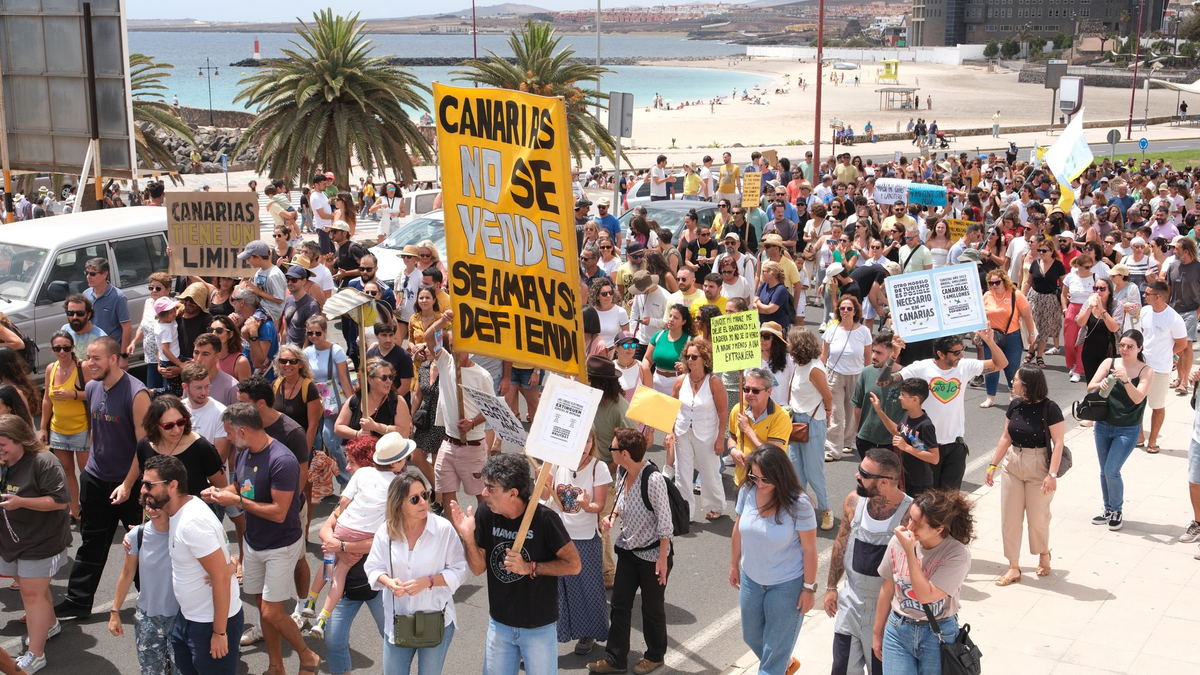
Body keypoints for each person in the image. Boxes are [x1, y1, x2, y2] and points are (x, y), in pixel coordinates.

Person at [200, 403, 317, 675]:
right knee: (263, 607)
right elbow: (240, 487)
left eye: (229, 432)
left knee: (272, 613)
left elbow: (278, 512)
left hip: (281, 545)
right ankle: (276, 666)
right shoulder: (244, 453)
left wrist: (236, 500)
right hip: (253, 543)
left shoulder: (282, 460)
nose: (227, 437)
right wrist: (220, 493)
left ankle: (307, 655)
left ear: (243, 431)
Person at [449, 453, 580, 675]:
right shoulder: (485, 514)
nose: (483, 493)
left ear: (513, 493)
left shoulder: (545, 520)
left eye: (491, 488)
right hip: (499, 624)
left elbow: (574, 565)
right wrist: (468, 536)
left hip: (538, 627)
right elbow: (479, 568)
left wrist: (530, 567)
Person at [56, 337, 150, 620]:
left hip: (128, 484)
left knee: (140, 545)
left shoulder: (137, 393)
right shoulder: (93, 387)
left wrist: (128, 484)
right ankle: (78, 600)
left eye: (96, 358)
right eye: (88, 358)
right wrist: (90, 470)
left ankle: (150, 601)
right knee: (91, 542)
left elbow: (143, 446)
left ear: (113, 359)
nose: (89, 363)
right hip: (96, 480)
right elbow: (97, 430)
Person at [307, 433, 413, 640]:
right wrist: (344, 546)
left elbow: (344, 502)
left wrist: (338, 520)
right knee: (340, 573)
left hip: (344, 526)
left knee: (329, 563)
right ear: (398, 462)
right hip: (362, 536)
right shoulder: (398, 486)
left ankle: (310, 601)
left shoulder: (363, 473)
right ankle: (322, 618)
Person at [143, 455, 243, 675]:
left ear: (172, 485)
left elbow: (222, 577)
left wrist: (219, 633)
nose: (143, 490)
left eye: (149, 485)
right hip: (188, 618)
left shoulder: (192, 523)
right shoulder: (179, 512)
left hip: (210, 624)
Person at [364, 468, 467, 675]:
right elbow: (373, 567)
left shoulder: (443, 529)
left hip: (436, 618)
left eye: (425, 495)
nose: (423, 502)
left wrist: (428, 581)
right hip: (398, 620)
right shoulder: (386, 531)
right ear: (398, 503)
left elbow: (460, 570)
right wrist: (388, 582)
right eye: (414, 499)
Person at [590, 428, 674, 675]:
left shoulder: (653, 479)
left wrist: (662, 559)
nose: (610, 452)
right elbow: (619, 505)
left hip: (652, 556)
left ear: (624, 453)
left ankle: (655, 656)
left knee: (652, 608)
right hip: (628, 550)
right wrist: (611, 519)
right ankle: (616, 659)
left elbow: (665, 524)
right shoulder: (622, 471)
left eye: (613, 448)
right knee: (619, 605)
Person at [729, 444, 817, 675]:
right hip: (751, 580)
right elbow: (738, 530)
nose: (759, 483)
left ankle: (778, 665)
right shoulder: (747, 492)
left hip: (787, 586)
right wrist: (733, 564)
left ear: (780, 474)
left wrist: (809, 588)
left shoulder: (799, 503)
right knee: (751, 636)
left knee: (774, 653)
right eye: (754, 476)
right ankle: (785, 664)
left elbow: (809, 550)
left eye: (765, 478)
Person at [881, 331, 1008, 490]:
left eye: (962, 350)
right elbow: (884, 382)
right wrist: (894, 355)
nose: (961, 356)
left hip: (955, 446)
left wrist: (990, 341)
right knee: (927, 500)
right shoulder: (921, 368)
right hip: (926, 447)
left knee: (949, 502)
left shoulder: (964, 366)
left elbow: (1001, 364)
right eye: (956, 353)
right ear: (940, 353)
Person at [825, 449, 912, 675]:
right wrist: (831, 587)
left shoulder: (911, 514)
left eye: (864, 473)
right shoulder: (853, 502)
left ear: (883, 483)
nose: (856, 475)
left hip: (887, 614)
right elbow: (841, 542)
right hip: (850, 606)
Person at [872, 490, 974, 674]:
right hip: (898, 629)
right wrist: (877, 633)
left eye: (917, 524)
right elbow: (887, 589)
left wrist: (910, 552)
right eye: (909, 518)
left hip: (937, 634)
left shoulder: (957, 554)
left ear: (939, 529)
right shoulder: (898, 542)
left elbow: (926, 595)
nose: (909, 527)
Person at [0, 415, 71, 674]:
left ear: (20, 441)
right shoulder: (4, 461)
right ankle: (50, 624)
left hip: (43, 540)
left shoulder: (44, 462)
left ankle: (35, 655)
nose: (0, 450)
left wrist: (20, 502)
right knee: (33, 591)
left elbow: (61, 501)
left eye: (3, 444)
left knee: (31, 593)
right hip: (13, 538)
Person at [983, 366, 1066, 586]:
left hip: (1039, 465)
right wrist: (993, 465)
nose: (1012, 381)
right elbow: (1005, 437)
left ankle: (1043, 552)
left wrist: (1052, 474)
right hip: (1013, 463)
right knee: (1009, 519)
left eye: (1016, 379)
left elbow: (1058, 443)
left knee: (1038, 518)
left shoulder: (1051, 408)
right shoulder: (1014, 405)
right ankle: (1013, 567)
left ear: (1027, 384)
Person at [548, 432, 612, 656]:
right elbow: (544, 493)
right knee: (558, 591)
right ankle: (548, 641)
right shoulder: (556, 464)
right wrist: (543, 479)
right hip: (558, 537)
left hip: (585, 538)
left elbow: (600, 504)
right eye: (580, 440)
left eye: (588, 441)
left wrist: (587, 505)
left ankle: (589, 634)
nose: (585, 446)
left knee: (589, 588)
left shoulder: (598, 468)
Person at [1087, 331, 1154, 531]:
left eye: (1130, 346)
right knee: (1103, 471)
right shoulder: (1109, 362)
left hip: (1127, 428)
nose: (1124, 349)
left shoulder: (1146, 371)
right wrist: (1101, 384)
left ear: (1139, 348)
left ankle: (1116, 510)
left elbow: (1138, 398)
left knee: (1111, 470)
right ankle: (1107, 509)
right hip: (1103, 425)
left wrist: (1125, 380)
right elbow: (1090, 386)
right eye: (1122, 345)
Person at [106, 495, 180, 675]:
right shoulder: (137, 535)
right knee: (151, 671)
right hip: (148, 619)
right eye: (148, 506)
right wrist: (115, 611)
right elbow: (127, 573)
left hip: (181, 618)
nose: (152, 511)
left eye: (157, 506)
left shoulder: (183, 532)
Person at [666, 340, 727, 523]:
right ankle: (685, 512)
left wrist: (720, 438)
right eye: (687, 356)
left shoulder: (714, 382)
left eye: (694, 357)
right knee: (682, 475)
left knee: (710, 473)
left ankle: (716, 506)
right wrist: (670, 432)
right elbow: (671, 408)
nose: (690, 360)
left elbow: (723, 412)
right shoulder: (680, 381)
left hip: (707, 434)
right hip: (683, 433)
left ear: (705, 359)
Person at [787, 327, 835, 531]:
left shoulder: (815, 368)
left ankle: (826, 509)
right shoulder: (799, 364)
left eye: (790, 341)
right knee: (797, 470)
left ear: (799, 345)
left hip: (812, 422)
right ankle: (801, 508)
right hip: (796, 421)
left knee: (814, 471)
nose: (787, 345)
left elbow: (828, 397)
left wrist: (827, 418)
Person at [39, 330, 88, 523]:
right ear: (52, 350)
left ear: (72, 348)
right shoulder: (51, 368)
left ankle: (90, 508)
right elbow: (46, 400)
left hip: (81, 427)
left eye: (66, 348)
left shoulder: (81, 367)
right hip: (58, 429)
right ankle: (74, 511)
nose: (62, 352)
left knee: (86, 473)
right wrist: (43, 428)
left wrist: (71, 394)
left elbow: (93, 393)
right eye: (57, 348)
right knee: (67, 471)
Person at [135, 395, 225, 498]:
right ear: (155, 425)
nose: (177, 430)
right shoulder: (144, 446)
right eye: (168, 426)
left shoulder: (201, 447)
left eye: (180, 422)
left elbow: (221, 486)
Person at [1138, 282, 1188, 453]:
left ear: (1158, 297)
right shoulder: (1144, 311)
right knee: (1137, 403)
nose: (1144, 296)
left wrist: (1168, 353)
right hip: (1141, 365)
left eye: (1147, 294)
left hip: (1160, 368)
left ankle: (1153, 441)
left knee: (1157, 406)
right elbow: (1144, 332)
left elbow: (1182, 343)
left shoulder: (1174, 319)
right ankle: (1139, 437)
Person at [305, 315, 355, 484]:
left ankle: (345, 476)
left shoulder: (336, 351)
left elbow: (344, 378)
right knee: (317, 442)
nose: (313, 337)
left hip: (332, 402)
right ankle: (322, 480)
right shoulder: (306, 352)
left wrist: (352, 403)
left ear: (325, 332)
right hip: (313, 401)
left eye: (317, 333)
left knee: (330, 440)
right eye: (310, 333)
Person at [823, 295, 872, 461]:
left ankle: (847, 441)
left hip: (856, 375)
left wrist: (867, 378)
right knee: (836, 413)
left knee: (851, 412)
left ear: (855, 311)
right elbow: (824, 355)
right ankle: (832, 448)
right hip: (834, 374)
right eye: (842, 308)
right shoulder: (831, 329)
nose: (845, 311)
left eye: (849, 308)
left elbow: (868, 357)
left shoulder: (864, 331)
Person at [869, 379, 939, 496]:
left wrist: (906, 447)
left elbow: (934, 458)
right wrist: (879, 410)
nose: (900, 398)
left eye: (903, 395)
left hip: (919, 483)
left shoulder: (925, 425)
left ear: (915, 399)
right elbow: (896, 432)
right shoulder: (907, 415)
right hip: (904, 478)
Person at [727, 367, 792, 488]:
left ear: (769, 391)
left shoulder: (781, 416)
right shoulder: (738, 409)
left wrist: (747, 430)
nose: (749, 394)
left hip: (767, 483)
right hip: (741, 480)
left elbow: (772, 454)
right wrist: (732, 450)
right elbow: (732, 436)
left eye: (755, 391)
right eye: (746, 389)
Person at [980, 269, 1036, 408]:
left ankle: (1014, 394)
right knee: (991, 368)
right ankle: (990, 397)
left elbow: (1027, 316)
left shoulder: (1016, 295)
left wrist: (1031, 334)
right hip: (991, 337)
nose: (994, 285)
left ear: (1004, 281)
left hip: (1012, 336)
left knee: (1012, 368)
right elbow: (981, 315)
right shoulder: (987, 295)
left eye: (997, 282)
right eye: (991, 283)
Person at [1021, 238, 1066, 368]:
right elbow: (1028, 282)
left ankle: (1039, 355)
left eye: (1044, 250)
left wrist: (1064, 303)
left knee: (1045, 328)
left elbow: (1063, 285)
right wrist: (1022, 295)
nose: (1041, 252)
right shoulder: (1035, 263)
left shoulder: (1058, 265)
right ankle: (1030, 351)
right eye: (1039, 250)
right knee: (1032, 326)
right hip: (1034, 298)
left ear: (1052, 251)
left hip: (1050, 300)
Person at [129, 272, 173, 390]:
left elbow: (168, 335)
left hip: (165, 360)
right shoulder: (148, 302)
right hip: (151, 358)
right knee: (152, 392)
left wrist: (161, 362)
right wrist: (134, 342)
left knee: (165, 394)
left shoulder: (170, 307)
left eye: (158, 288)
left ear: (168, 289)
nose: (153, 290)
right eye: (151, 287)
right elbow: (143, 325)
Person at [1075, 277, 1122, 385]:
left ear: (1109, 291)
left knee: (1106, 384)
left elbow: (1114, 328)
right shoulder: (1089, 303)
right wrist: (1089, 307)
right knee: (1092, 383)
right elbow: (1080, 322)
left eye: (1102, 289)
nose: (1098, 292)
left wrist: (1101, 308)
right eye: (1095, 288)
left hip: (1108, 350)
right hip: (1090, 349)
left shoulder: (1117, 305)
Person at [83, 257, 132, 358]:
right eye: (87, 273)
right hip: (91, 352)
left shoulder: (118, 297)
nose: (88, 277)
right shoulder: (86, 294)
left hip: (110, 354)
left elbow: (127, 328)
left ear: (105, 274)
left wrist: (123, 356)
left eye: (93, 274)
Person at [60, 294, 107, 360]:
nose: (75, 317)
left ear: (88, 315)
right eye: (70, 313)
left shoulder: (100, 338)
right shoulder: (65, 330)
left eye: (80, 313)